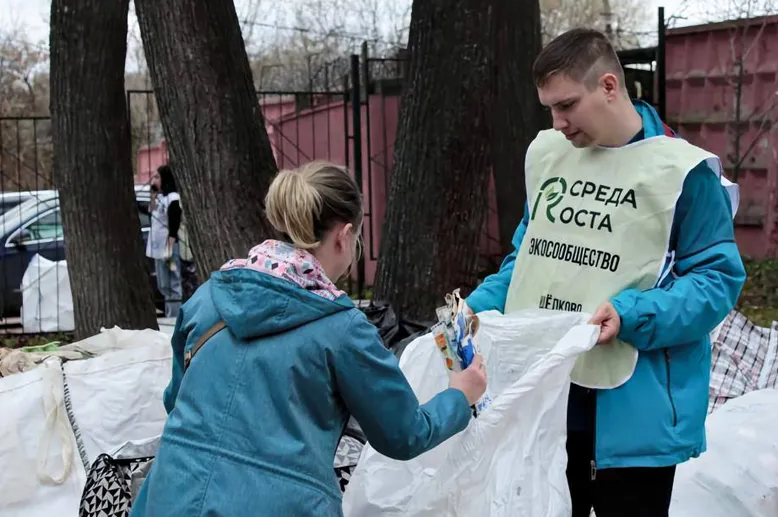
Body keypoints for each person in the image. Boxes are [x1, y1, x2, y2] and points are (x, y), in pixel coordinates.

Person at [464, 28, 746, 517]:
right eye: (549, 109)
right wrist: (475, 309)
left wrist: (631, 314)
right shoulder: (554, 157)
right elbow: (531, 259)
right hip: (550, 404)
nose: (559, 123)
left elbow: (716, 281)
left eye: (567, 104)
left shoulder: (682, 173)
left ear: (610, 86)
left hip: (635, 414)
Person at [129, 162, 488, 517]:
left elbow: (176, 399)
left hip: (170, 496)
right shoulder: (343, 329)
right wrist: (460, 395)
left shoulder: (206, 299)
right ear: (344, 236)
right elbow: (404, 433)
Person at [146, 165, 183, 318]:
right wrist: (153, 195)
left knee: (172, 282)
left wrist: (169, 249)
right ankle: (170, 313)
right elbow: (151, 211)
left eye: (157, 177)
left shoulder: (173, 198)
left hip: (168, 248)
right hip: (157, 249)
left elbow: (174, 225)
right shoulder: (161, 197)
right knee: (162, 284)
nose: (154, 180)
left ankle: (174, 316)